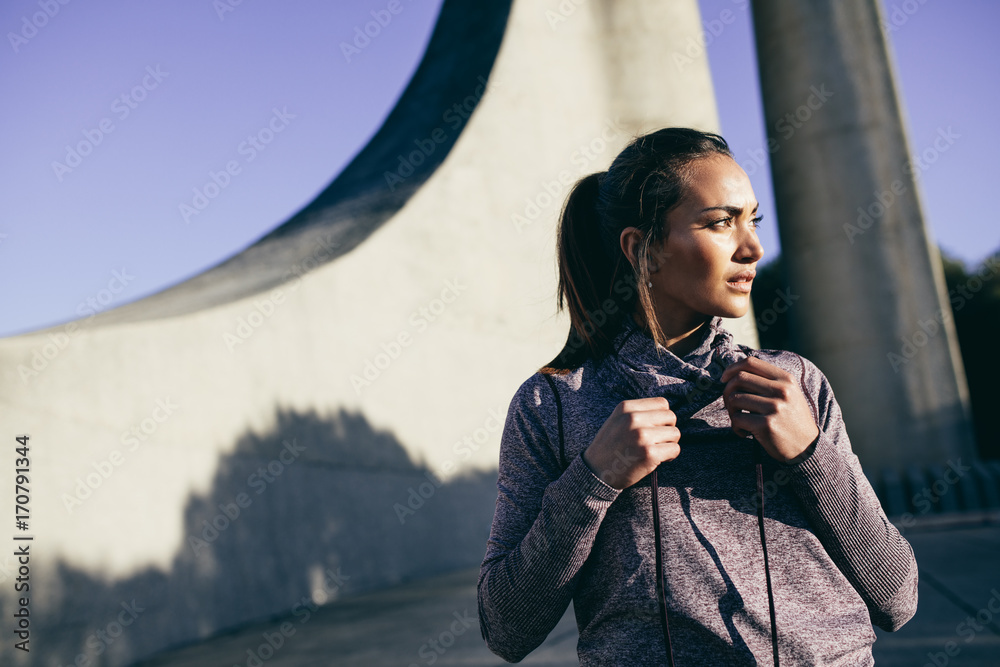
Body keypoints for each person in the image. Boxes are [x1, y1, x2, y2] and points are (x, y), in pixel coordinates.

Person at [476, 127, 918, 666]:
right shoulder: (552, 406)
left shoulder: (796, 383)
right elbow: (506, 628)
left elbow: (897, 597)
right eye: (720, 222)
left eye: (752, 219)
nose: (753, 247)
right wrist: (593, 478)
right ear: (644, 250)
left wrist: (810, 456)